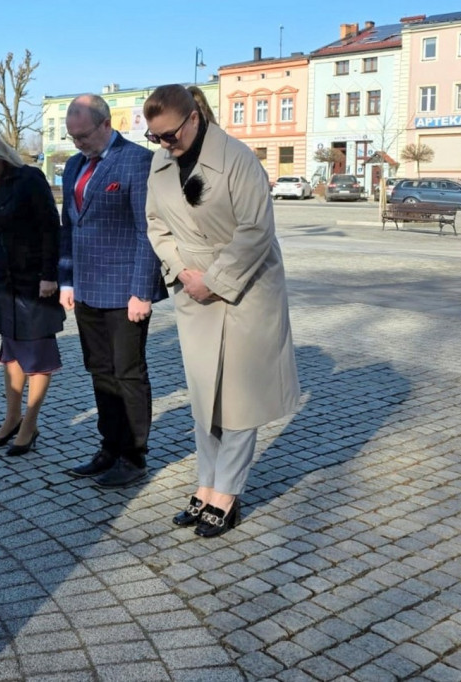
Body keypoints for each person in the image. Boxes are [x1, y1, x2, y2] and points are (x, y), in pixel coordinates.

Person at [142, 84, 301, 537]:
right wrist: (183, 273)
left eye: (169, 135)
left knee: (235, 399)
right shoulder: (160, 161)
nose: (164, 145)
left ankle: (226, 494)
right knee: (203, 399)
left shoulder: (237, 158)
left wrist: (213, 281)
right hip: (192, 290)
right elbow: (156, 225)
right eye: (155, 138)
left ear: (194, 118)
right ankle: (205, 483)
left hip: (243, 290)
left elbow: (256, 231)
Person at [58, 95, 167, 488]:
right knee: (100, 372)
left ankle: (133, 457)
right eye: (72, 137)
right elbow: (69, 228)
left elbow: (147, 232)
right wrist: (66, 280)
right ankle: (109, 446)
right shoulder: (73, 166)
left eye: (83, 136)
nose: (77, 144)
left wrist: (143, 292)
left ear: (106, 124)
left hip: (125, 293)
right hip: (86, 289)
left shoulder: (137, 162)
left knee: (128, 374)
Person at [0, 127, 65, 457]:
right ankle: (11, 419)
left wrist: (50, 276)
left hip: (34, 280)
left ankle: (30, 424)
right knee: (11, 352)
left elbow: (51, 228)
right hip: (3, 278)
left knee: (37, 355)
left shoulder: (29, 179)